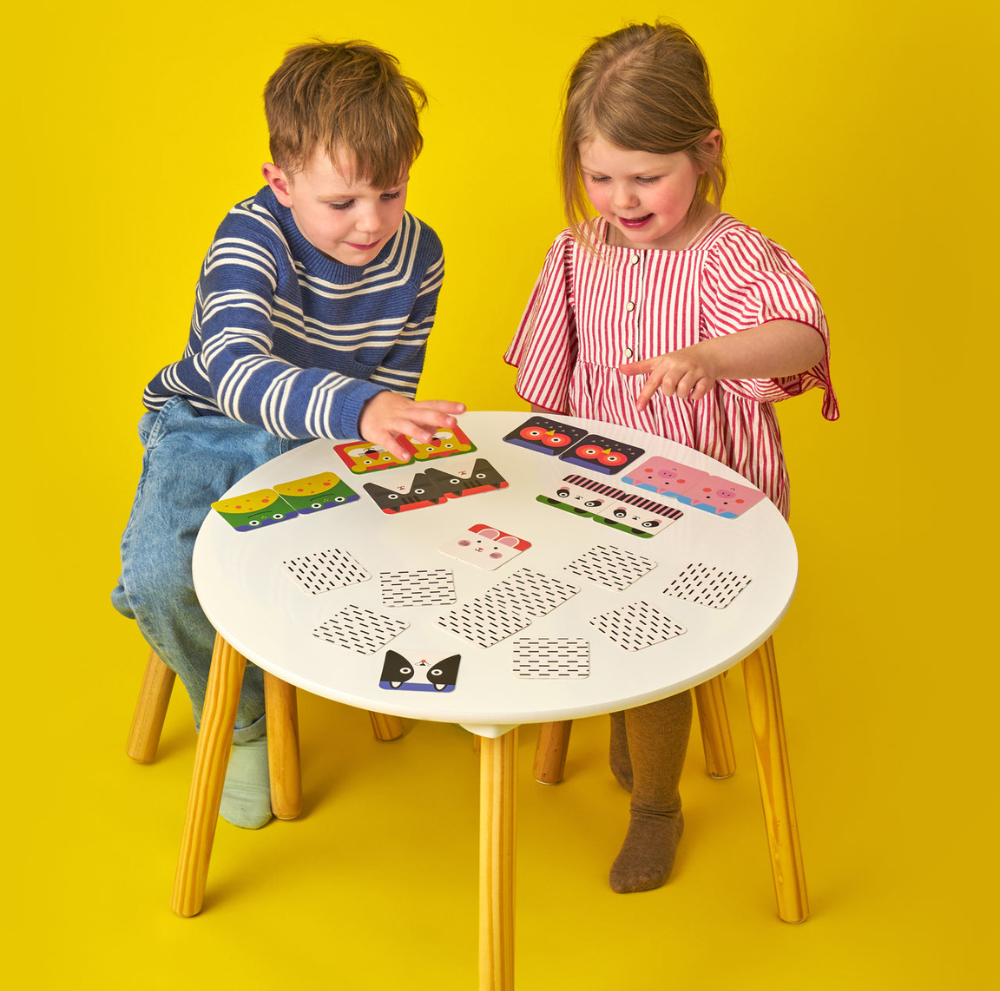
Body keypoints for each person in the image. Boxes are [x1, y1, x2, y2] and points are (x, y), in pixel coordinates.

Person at [505, 22, 838, 893]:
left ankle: (656, 805)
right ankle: (635, 712)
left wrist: (715, 358)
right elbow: (550, 382)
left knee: (648, 627)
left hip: (707, 503)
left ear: (707, 151)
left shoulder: (730, 255)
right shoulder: (579, 254)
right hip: (598, 488)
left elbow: (801, 333)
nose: (621, 198)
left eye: (647, 177)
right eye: (600, 175)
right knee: (563, 586)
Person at [112, 41, 464, 830]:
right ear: (282, 182)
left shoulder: (422, 254)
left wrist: (385, 435)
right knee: (167, 576)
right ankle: (241, 722)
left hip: (326, 442)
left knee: (396, 550)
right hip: (210, 428)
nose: (371, 221)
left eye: (392, 191)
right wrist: (362, 408)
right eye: (342, 203)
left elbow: (392, 387)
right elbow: (234, 369)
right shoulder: (249, 237)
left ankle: (308, 656)